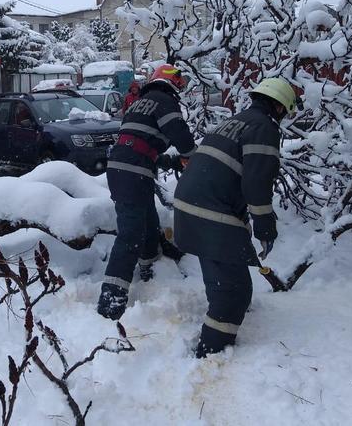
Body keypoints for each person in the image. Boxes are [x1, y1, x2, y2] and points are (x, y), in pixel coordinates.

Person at [172, 77, 298, 358]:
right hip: (210, 212)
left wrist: (245, 224)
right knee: (234, 291)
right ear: (280, 107)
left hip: (191, 206)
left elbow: (228, 176)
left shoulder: (236, 122)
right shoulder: (264, 128)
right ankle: (211, 353)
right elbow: (257, 184)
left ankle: (219, 321)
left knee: (223, 277)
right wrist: (265, 228)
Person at [97, 64, 196, 320]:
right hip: (133, 171)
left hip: (123, 168)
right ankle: (111, 299)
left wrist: (171, 161)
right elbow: (181, 136)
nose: (180, 87)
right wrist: (193, 157)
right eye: (179, 82)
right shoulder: (164, 101)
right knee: (130, 234)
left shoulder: (139, 104)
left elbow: (139, 143)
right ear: (170, 81)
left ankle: (149, 267)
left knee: (148, 220)